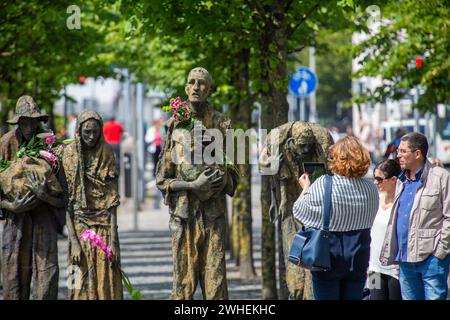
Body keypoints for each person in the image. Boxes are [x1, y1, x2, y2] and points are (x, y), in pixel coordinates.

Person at [156, 67, 237, 299]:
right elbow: (162, 180)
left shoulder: (223, 124)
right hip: (184, 216)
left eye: (202, 83)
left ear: (209, 89)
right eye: (191, 82)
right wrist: (193, 185)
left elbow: (235, 175)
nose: (196, 87)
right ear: (185, 88)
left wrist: (216, 181)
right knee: (183, 285)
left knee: (216, 286)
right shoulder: (174, 124)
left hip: (214, 216)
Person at [293, 136, 379, 300]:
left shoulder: (324, 183)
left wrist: (305, 188)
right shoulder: (371, 188)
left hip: (328, 256)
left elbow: (298, 211)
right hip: (359, 255)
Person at [259, 121, 334, 300]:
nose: (306, 149)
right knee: (293, 251)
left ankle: (311, 292)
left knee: (315, 251)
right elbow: (263, 165)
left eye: (309, 145)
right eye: (302, 145)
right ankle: (296, 290)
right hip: (289, 204)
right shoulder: (276, 139)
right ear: (292, 141)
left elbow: (334, 170)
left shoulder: (323, 140)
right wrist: (273, 200)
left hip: (316, 206)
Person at [0, 95, 64, 300]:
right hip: (16, 219)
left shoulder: (50, 144)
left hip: (43, 217)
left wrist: (44, 194)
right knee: (14, 275)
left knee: (46, 272)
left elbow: (63, 197)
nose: (29, 126)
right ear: (18, 121)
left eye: (33, 121)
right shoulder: (6, 143)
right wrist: (12, 204)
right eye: (24, 121)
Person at [380, 132, 450, 300]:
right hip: (404, 260)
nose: (398, 155)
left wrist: (440, 252)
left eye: (403, 151)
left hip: (432, 260)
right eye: (398, 151)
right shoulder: (400, 180)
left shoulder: (441, 177)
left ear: (417, 154)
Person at [62, 110, 123, 300]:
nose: (91, 136)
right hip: (79, 228)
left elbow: (112, 200)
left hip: (104, 226)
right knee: (78, 282)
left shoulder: (107, 153)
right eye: (87, 131)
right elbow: (66, 203)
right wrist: (73, 242)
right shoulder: (69, 155)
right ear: (79, 130)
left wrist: (114, 240)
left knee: (107, 282)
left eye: (95, 132)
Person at [368, 159, 402, 300]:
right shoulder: (375, 199)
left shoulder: (402, 203)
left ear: (393, 179)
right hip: (374, 269)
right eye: (374, 178)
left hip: (395, 271)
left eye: (379, 179)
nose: (375, 182)